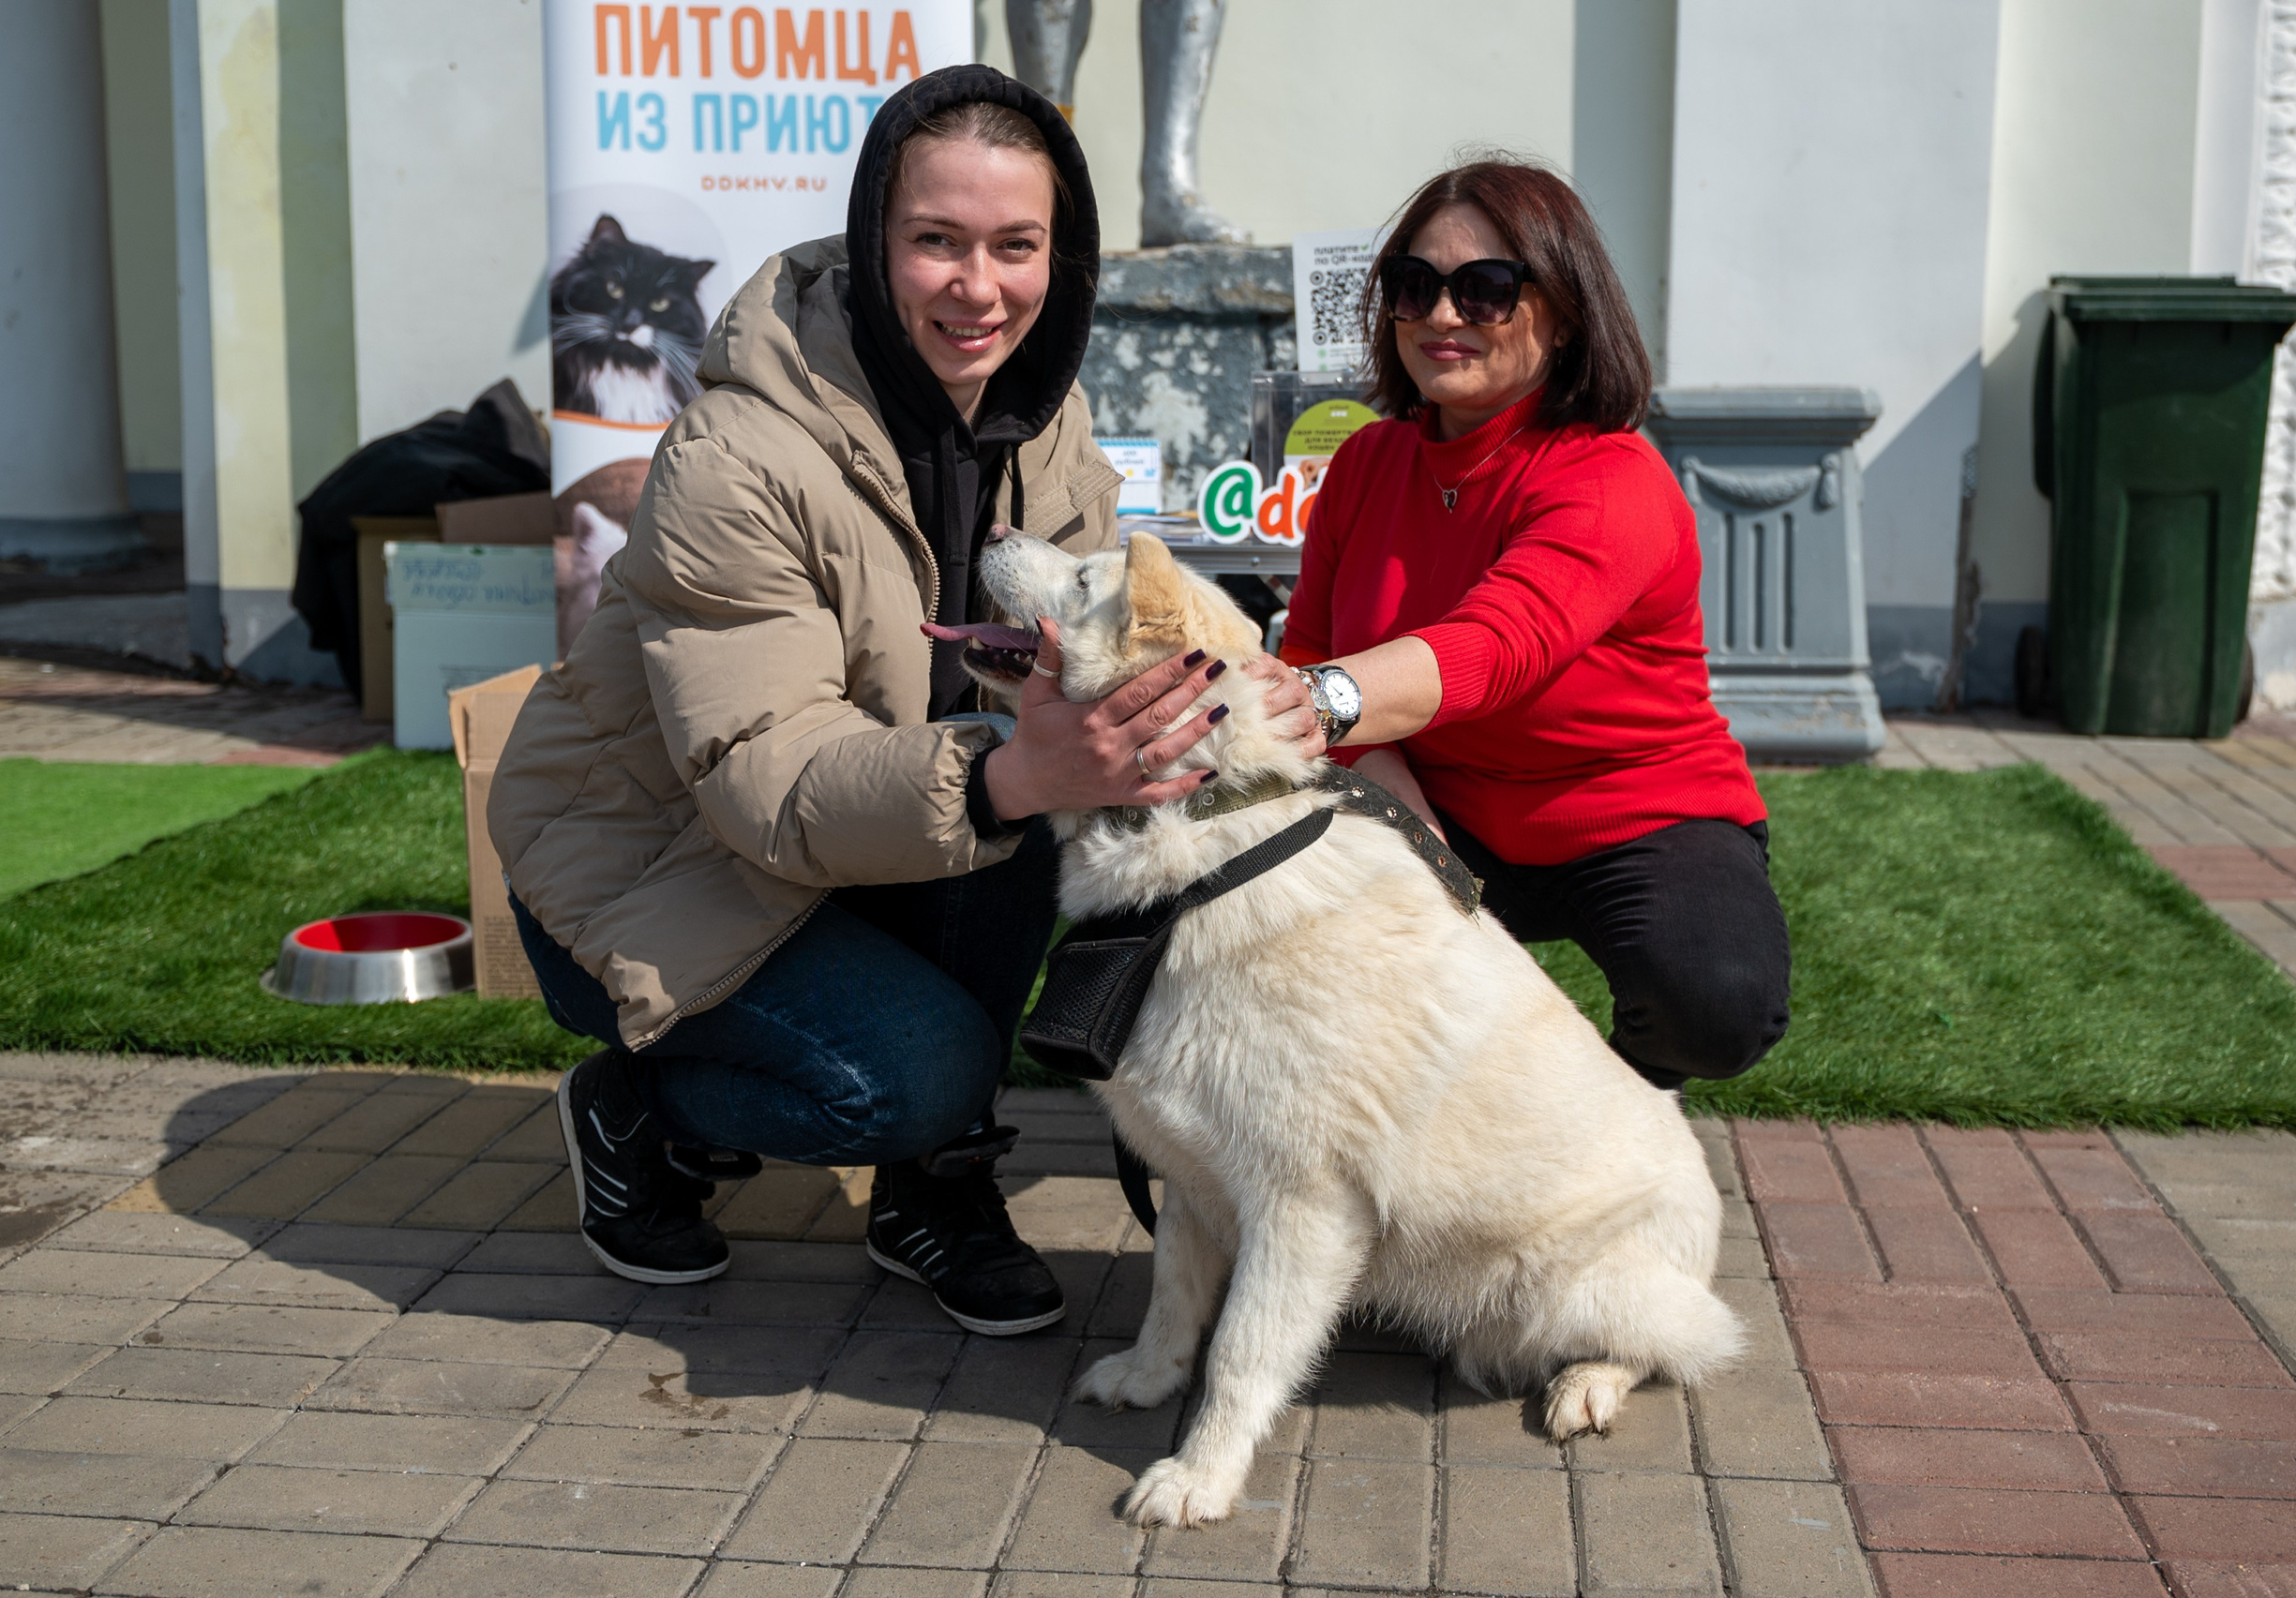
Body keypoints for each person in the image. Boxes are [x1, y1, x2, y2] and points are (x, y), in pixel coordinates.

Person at [488, 66, 1319, 1334]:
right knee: (916, 1068)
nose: (978, 289)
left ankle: (934, 1189)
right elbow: (767, 783)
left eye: (1015, 246)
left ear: (1062, 254)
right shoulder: (737, 454)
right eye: (935, 241)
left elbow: (1096, 638)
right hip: (655, 870)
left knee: (1039, 808)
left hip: (870, 847)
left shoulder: (1046, 416)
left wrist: (1233, 693)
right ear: (877, 242)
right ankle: (633, 1106)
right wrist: (1022, 770)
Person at [1278, 158, 1791, 1095]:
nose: (1441, 316)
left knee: (1714, 1002)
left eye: (1486, 289)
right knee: (1240, 903)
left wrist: (1313, 702)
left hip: (1633, 809)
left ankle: (1601, 1116)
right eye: (1414, 286)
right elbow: (1312, 647)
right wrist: (1417, 842)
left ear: (1563, 311)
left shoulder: (1612, 477)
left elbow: (1496, 645)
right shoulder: (1364, 462)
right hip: (1439, 796)